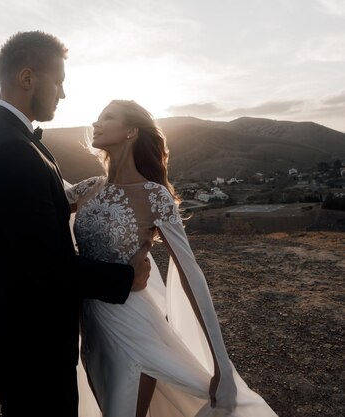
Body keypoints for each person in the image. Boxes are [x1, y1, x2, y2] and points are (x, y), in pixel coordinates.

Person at [0, 32, 153, 417]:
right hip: (29, 343)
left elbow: (24, 223)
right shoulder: (11, 149)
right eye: (59, 80)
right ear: (27, 78)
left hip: (14, 329)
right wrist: (124, 280)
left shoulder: (2, 136)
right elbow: (46, 266)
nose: (63, 93)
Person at [67, 99, 278, 417]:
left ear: (131, 131)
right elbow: (35, 202)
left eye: (107, 117)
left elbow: (190, 271)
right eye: (97, 117)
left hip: (133, 327)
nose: (96, 123)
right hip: (90, 326)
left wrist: (221, 362)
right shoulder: (89, 188)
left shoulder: (155, 196)